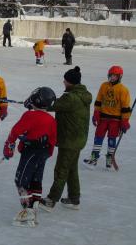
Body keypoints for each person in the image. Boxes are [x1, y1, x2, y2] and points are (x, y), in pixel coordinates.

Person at [40, 66, 92, 212]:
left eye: (65, 80)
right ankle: (74, 199)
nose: (63, 82)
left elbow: (52, 106)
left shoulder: (70, 98)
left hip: (70, 140)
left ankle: (51, 200)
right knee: (71, 169)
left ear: (71, 82)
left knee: (61, 170)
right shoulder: (84, 94)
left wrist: (36, 103)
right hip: (78, 139)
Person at [3, 87, 57, 226]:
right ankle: (34, 209)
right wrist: (46, 153)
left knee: (21, 180)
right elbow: (53, 140)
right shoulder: (51, 119)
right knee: (35, 180)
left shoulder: (30, 116)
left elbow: (15, 131)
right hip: (43, 154)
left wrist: (9, 145)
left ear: (38, 100)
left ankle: (28, 212)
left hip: (31, 152)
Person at [83, 65, 131, 169]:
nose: (112, 77)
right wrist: (96, 113)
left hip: (115, 120)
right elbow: (99, 101)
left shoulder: (123, 90)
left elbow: (125, 107)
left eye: (115, 76)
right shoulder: (104, 86)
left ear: (119, 77)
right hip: (103, 118)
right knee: (98, 137)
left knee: (112, 138)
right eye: (111, 75)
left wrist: (125, 121)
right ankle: (94, 157)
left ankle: (110, 157)